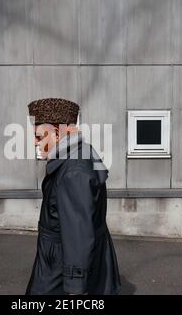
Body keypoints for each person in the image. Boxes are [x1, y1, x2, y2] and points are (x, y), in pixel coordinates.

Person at [25, 97, 121, 295]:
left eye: (39, 136)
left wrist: (75, 286)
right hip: (55, 262)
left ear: (58, 133)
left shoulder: (73, 172)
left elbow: (78, 233)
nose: (34, 142)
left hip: (57, 270)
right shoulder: (75, 158)